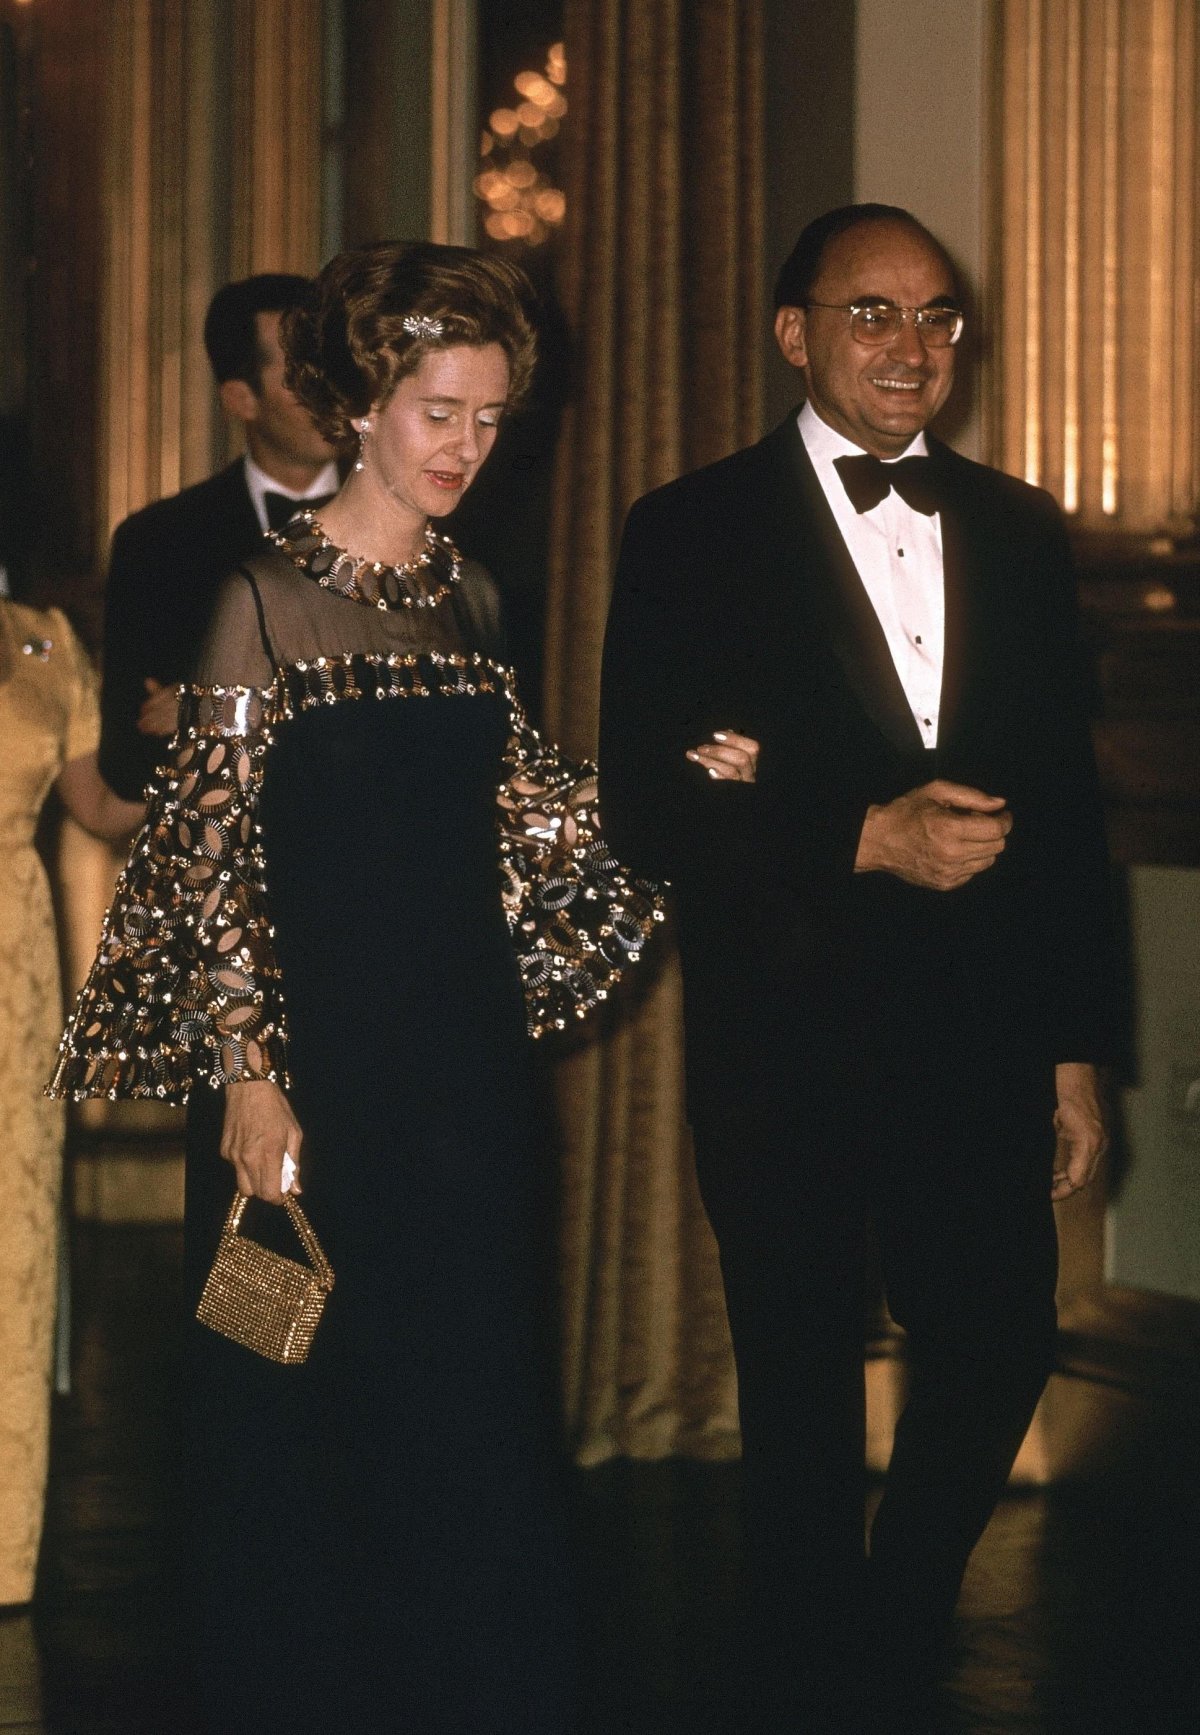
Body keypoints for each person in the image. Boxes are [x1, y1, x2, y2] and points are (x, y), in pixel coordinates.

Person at [50, 241, 662, 1734]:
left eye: (490, 418)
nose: (467, 447)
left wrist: (678, 783)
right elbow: (208, 859)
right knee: (291, 1413)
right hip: (309, 1093)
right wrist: (251, 1078)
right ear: (365, 404)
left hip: (466, 1084)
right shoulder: (257, 601)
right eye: (441, 412)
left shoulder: (476, 595)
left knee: (468, 1416)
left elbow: (514, 827)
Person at [598, 204, 1116, 1732]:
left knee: (1002, 1338)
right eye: (872, 312)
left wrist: (1074, 1047)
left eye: (938, 315)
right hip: (786, 1031)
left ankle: (897, 1623)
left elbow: (1067, 812)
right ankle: (810, 1678)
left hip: (984, 1029)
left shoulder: (1021, 527)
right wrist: (861, 831)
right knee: (802, 1389)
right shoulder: (690, 526)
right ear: (795, 334)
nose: (913, 346)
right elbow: (648, 799)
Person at [0, 596, 143, 1606]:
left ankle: (3, 1544)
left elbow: (99, 807)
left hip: (15, 975)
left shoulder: (44, 638)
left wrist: (194, 739)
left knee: (14, 1245)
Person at [98, 273, 339, 802]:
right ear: (240, 398)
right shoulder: (157, 543)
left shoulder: (428, 526)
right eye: (301, 373)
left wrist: (213, 708)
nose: (329, 390)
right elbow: (127, 762)